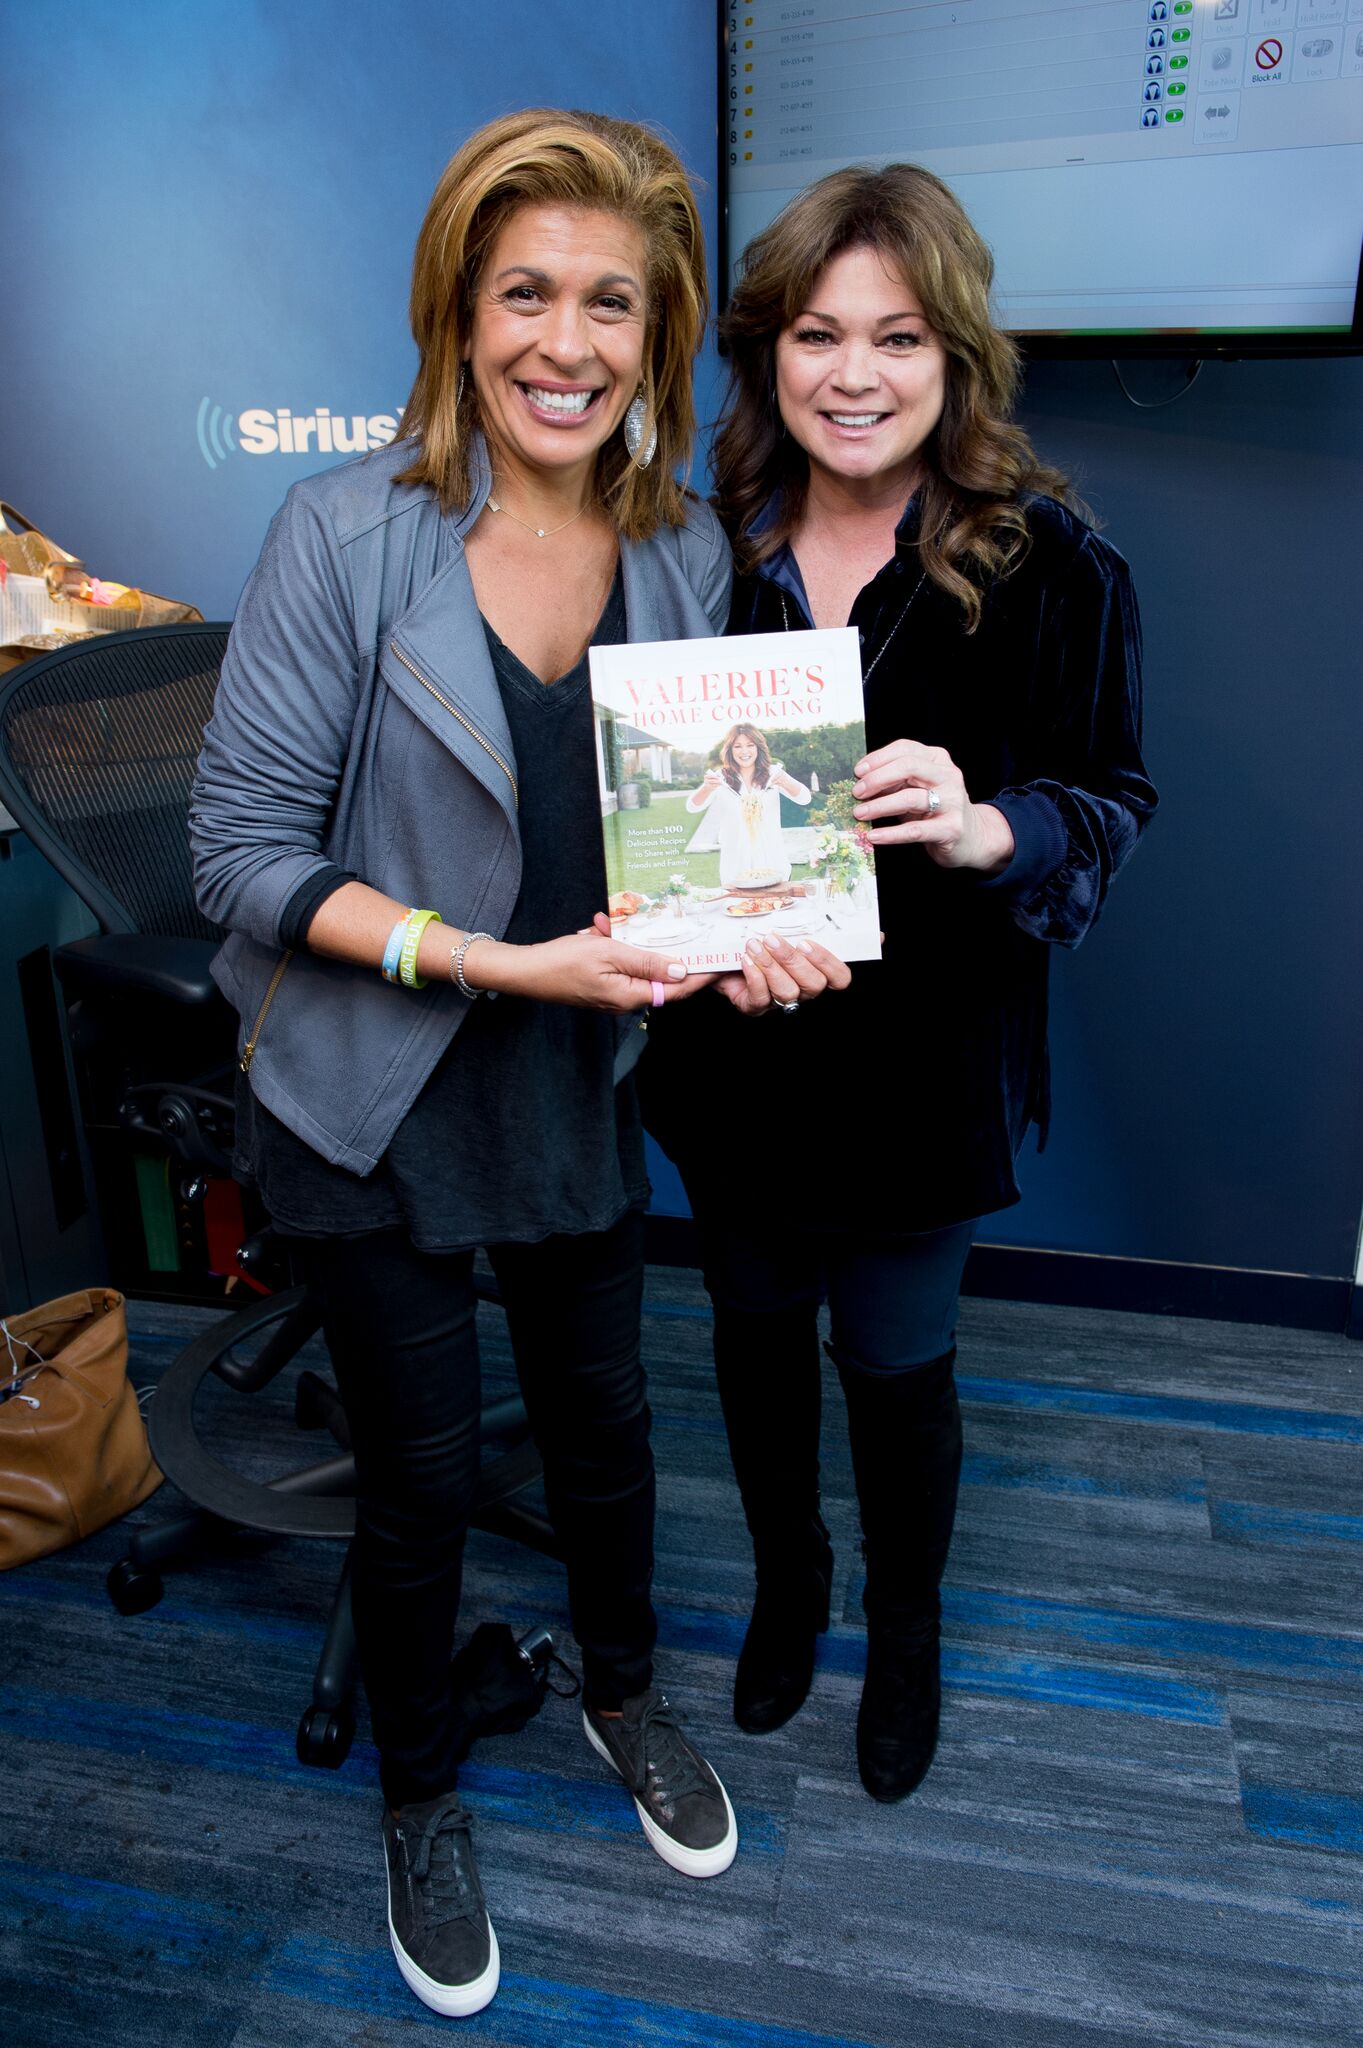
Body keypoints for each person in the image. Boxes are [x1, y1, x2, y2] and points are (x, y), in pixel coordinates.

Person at [190, 109, 845, 2022]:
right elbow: (234, 848)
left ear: (655, 340)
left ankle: (624, 1701)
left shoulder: (677, 554)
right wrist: (487, 957)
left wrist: (751, 942)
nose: (567, 343)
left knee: (605, 1439)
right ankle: (417, 1795)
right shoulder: (345, 532)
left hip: (574, 1085)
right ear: (460, 319)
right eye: (526, 296)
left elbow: (690, 861)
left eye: (611, 305)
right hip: (375, 1087)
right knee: (415, 1481)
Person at [640, 164, 1157, 1806]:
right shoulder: (688, 550)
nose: (852, 372)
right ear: (764, 350)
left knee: (894, 1361)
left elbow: (1110, 803)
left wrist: (988, 820)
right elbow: (628, 802)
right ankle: (790, 1584)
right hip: (732, 1051)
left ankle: (903, 1622)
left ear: (954, 360)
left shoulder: (1053, 566)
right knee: (748, 1336)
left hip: (922, 1063)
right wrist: (667, 911)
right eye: (815, 332)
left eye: (897, 336)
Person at [685, 722, 811, 885]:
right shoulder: (721, 777)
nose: (744, 751)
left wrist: (786, 782)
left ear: (758, 748)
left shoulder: (773, 773)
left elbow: (804, 798)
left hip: (773, 859)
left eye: (750, 745)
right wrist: (707, 788)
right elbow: (693, 806)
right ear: (730, 750)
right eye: (738, 746)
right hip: (736, 864)